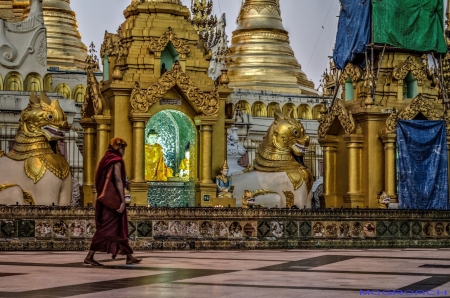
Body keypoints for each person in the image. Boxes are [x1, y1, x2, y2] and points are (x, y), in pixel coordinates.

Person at [84, 137, 141, 266]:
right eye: (123, 148)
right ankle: (89, 256)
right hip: (112, 201)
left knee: (118, 228)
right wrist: (122, 201)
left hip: (106, 200)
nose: (124, 151)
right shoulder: (116, 160)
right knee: (106, 229)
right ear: (118, 148)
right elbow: (118, 181)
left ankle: (129, 256)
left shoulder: (106, 159)